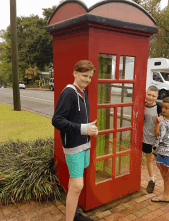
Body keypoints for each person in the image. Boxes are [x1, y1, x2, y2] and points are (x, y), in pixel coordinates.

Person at [52, 60, 98, 221]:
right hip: (73, 146)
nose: (87, 79)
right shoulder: (69, 93)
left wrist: (89, 128)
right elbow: (57, 120)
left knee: (74, 182)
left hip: (84, 143)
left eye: (90, 77)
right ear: (75, 73)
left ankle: (75, 214)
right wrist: (83, 129)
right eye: (85, 76)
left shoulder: (83, 92)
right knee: (78, 185)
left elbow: (79, 119)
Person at [142, 86, 169, 199]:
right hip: (145, 138)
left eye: (153, 96)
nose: (150, 97)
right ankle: (151, 180)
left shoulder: (159, 108)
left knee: (161, 165)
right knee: (148, 159)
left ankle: (168, 186)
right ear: (145, 93)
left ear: (157, 97)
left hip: (159, 139)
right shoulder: (140, 106)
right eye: (149, 94)